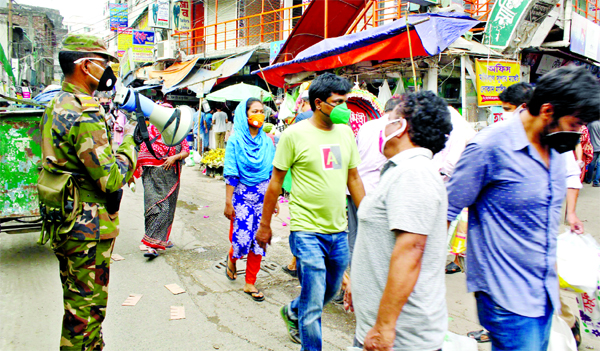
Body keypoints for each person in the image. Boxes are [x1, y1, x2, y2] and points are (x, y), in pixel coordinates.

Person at [447, 65, 600, 351]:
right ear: (546, 110)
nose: (578, 132)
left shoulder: (556, 147)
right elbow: (445, 213)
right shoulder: (489, 146)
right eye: (575, 123)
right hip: (506, 296)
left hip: (544, 290)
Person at [39, 34, 137, 350]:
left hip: (68, 222)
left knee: (80, 309)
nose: (108, 71)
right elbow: (109, 178)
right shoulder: (85, 109)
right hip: (87, 228)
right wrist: (130, 148)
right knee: (86, 314)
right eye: (104, 63)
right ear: (85, 66)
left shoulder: (56, 103)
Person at [256, 73, 365, 349]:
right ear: (319, 103)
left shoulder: (345, 132)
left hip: (338, 230)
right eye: (337, 102)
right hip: (306, 230)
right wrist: (265, 225)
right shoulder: (294, 135)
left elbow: (354, 178)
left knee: (328, 290)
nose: (344, 107)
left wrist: (368, 217)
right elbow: (276, 183)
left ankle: (293, 310)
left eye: (346, 100)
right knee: (315, 302)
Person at [349, 91, 452, 351]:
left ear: (403, 127)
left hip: (401, 337)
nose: (384, 125)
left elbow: (411, 252)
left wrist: (384, 326)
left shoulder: (414, 173)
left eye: (391, 119)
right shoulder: (400, 170)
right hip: (383, 330)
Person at [223, 98, 276, 301]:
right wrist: (228, 202)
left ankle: (250, 282)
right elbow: (230, 172)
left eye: (262, 111)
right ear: (245, 115)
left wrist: (275, 201)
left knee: (259, 241)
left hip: (263, 196)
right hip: (242, 195)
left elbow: (273, 173)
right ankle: (232, 256)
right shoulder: (236, 140)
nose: (259, 115)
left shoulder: (267, 141)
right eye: (254, 111)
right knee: (241, 238)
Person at [135, 103, 190, 258]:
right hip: (151, 178)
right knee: (152, 208)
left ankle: (160, 241)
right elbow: (140, 154)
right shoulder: (148, 132)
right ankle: (151, 243)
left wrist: (174, 157)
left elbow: (186, 150)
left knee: (166, 209)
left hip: (170, 177)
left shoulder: (177, 133)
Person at [584, 119, 600, 186]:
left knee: (591, 164)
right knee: (599, 164)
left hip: (592, 146)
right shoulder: (599, 124)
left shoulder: (589, 124)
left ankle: (588, 179)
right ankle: (596, 181)